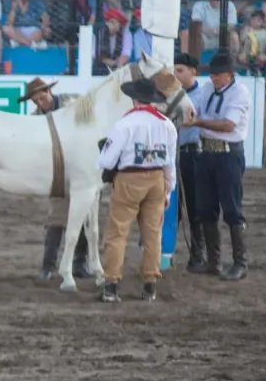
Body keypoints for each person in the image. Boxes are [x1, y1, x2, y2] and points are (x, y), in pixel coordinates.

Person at [97, 77, 178, 302]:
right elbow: (170, 162)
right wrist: (168, 190)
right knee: (153, 234)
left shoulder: (124, 124)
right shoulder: (166, 124)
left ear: (134, 99)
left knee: (117, 233)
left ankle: (111, 285)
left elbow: (106, 161)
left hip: (129, 179)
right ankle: (150, 285)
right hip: (157, 179)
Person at [185, 50, 250, 281]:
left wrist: (198, 122)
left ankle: (240, 262)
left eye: (217, 74)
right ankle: (214, 261)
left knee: (232, 209)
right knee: (206, 208)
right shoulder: (207, 89)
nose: (213, 77)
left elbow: (228, 125)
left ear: (229, 74)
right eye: (212, 74)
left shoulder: (240, 93)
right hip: (207, 153)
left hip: (227, 154)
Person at [19, 77, 91, 280]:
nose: (39, 103)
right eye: (35, 101)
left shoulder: (72, 103)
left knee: (82, 216)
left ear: (49, 92)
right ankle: (50, 265)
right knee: (58, 216)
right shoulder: (36, 119)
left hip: (79, 167)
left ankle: (75, 264)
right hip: (58, 171)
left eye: (41, 98)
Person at [172, 52, 209, 272]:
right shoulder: (173, 94)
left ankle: (197, 255)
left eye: (180, 70)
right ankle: (165, 252)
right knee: (170, 206)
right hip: (174, 154)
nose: (176, 74)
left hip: (192, 153)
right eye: (174, 70)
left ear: (193, 72)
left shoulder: (202, 95)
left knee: (195, 206)